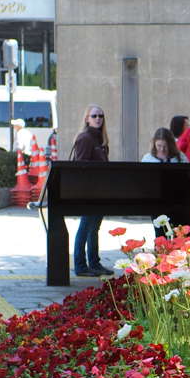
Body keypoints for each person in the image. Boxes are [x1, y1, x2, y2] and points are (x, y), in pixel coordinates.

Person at [70, 105, 114, 278]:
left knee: (93, 228)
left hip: (100, 190)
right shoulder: (85, 138)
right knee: (85, 227)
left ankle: (94, 263)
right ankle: (81, 266)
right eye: (94, 115)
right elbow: (80, 166)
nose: (98, 118)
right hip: (88, 191)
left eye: (101, 116)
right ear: (87, 118)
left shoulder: (101, 140)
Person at [142, 127, 190, 238]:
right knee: (160, 235)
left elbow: (189, 178)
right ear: (154, 144)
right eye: (159, 146)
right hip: (156, 202)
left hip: (177, 201)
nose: (162, 149)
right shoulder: (148, 158)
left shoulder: (180, 158)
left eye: (165, 146)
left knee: (179, 234)